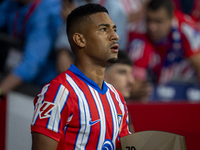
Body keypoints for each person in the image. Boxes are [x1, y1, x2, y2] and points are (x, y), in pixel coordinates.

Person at [31, 3, 130, 150]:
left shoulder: (117, 98)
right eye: (104, 29)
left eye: (114, 30)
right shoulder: (59, 92)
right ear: (80, 40)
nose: (115, 36)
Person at [127, 0, 200, 101]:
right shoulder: (139, 33)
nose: (152, 27)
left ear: (171, 19)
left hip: (185, 84)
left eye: (158, 21)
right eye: (149, 20)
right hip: (152, 83)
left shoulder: (186, 29)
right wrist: (138, 92)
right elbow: (134, 81)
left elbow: (199, 65)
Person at [0, 0, 62, 97]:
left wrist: (1, 90)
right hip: (16, 75)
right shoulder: (12, 4)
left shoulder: (48, 10)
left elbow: (31, 65)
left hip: (44, 89)